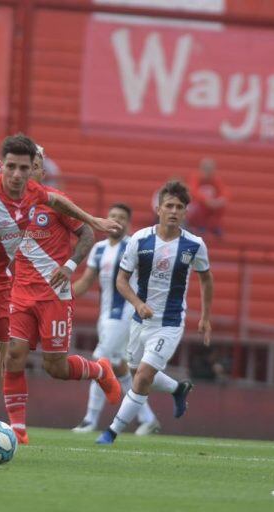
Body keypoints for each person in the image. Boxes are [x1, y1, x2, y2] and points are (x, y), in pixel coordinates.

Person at [0, 133, 120, 459]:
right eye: (12, 167)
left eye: (25, 168)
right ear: (1, 166)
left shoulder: (35, 191)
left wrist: (92, 220)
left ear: (34, 168)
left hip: (4, 287)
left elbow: (57, 201)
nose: (19, 175)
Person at [2, 145, 119, 445]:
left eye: (35, 165)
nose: (29, 171)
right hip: (20, 294)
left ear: (40, 170)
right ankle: (17, 429)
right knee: (14, 356)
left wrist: (69, 267)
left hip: (54, 294)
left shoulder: (57, 202)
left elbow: (88, 234)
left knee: (55, 366)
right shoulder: (6, 205)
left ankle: (99, 370)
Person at [96, 181, 213, 444]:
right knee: (136, 370)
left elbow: (206, 279)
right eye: (169, 206)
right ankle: (178, 388)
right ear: (158, 209)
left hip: (169, 322)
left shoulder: (194, 245)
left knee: (143, 376)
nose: (173, 211)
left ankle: (112, 431)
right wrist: (138, 304)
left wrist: (205, 317)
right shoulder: (140, 239)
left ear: (185, 212)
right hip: (140, 320)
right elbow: (121, 281)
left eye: (179, 207)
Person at [70, 203, 161, 435]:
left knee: (101, 360)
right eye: (112, 216)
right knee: (118, 366)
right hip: (105, 316)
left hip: (124, 315)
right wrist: (63, 294)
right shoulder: (99, 249)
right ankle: (147, 418)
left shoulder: (133, 246)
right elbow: (86, 281)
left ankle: (90, 419)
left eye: (121, 217)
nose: (116, 221)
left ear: (127, 223)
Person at [186, 157, 228, 237]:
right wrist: (206, 200)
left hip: (210, 206)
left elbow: (224, 192)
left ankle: (215, 226)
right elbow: (193, 192)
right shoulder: (195, 178)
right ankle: (198, 225)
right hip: (197, 207)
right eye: (206, 169)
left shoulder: (216, 180)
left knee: (220, 206)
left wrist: (219, 201)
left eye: (210, 169)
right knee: (199, 206)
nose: (209, 172)